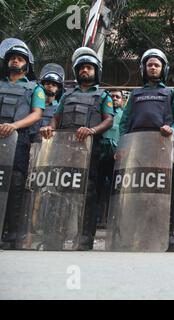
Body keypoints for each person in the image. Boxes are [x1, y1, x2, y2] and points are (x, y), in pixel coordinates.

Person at [40, 47, 114, 250]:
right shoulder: (67, 95)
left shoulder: (103, 95)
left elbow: (108, 120)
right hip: (64, 148)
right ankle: (55, 235)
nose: (85, 71)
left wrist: (91, 130)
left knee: (88, 192)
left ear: (95, 71)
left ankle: (84, 237)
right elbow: (56, 117)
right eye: (81, 68)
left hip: (90, 150)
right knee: (59, 191)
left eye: (89, 67)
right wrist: (49, 127)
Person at [119, 48, 174, 252]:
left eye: (157, 65)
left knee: (162, 192)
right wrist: (122, 147)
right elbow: (124, 123)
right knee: (137, 192)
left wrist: (171, 129)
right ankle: (135, 235)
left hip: (161, 149)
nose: (153, 68)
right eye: (150, 65)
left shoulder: (171, 93)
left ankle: (167, 235)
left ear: (163, 68)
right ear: (144, 69)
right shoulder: (135, 94)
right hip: (137, 148)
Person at [0, 38, 45, 248]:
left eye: (19, 59)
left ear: (27, 64)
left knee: (15, 185)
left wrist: (15, 125)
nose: (15, 62)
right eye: (12, 59)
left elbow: (37, 114)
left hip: (19, 142)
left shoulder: (35, 88)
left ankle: (11, 234)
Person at [97, 88, 124, 227]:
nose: (114, 98)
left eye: (117, 97)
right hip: (100, 152)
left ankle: (115, 220)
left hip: (117, 155)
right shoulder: (101, 113)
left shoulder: (125, 115)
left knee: (116, 188)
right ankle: (98, 220)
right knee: (98, 187)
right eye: (112, 96)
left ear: (122, 100)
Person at [29, 64, 65, 143]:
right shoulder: (33, 104)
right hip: (27, 141)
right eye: (47, 84)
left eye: (54, 85)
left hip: (46, 145)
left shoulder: (59, 107)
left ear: (58, 89)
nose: (50, 86)